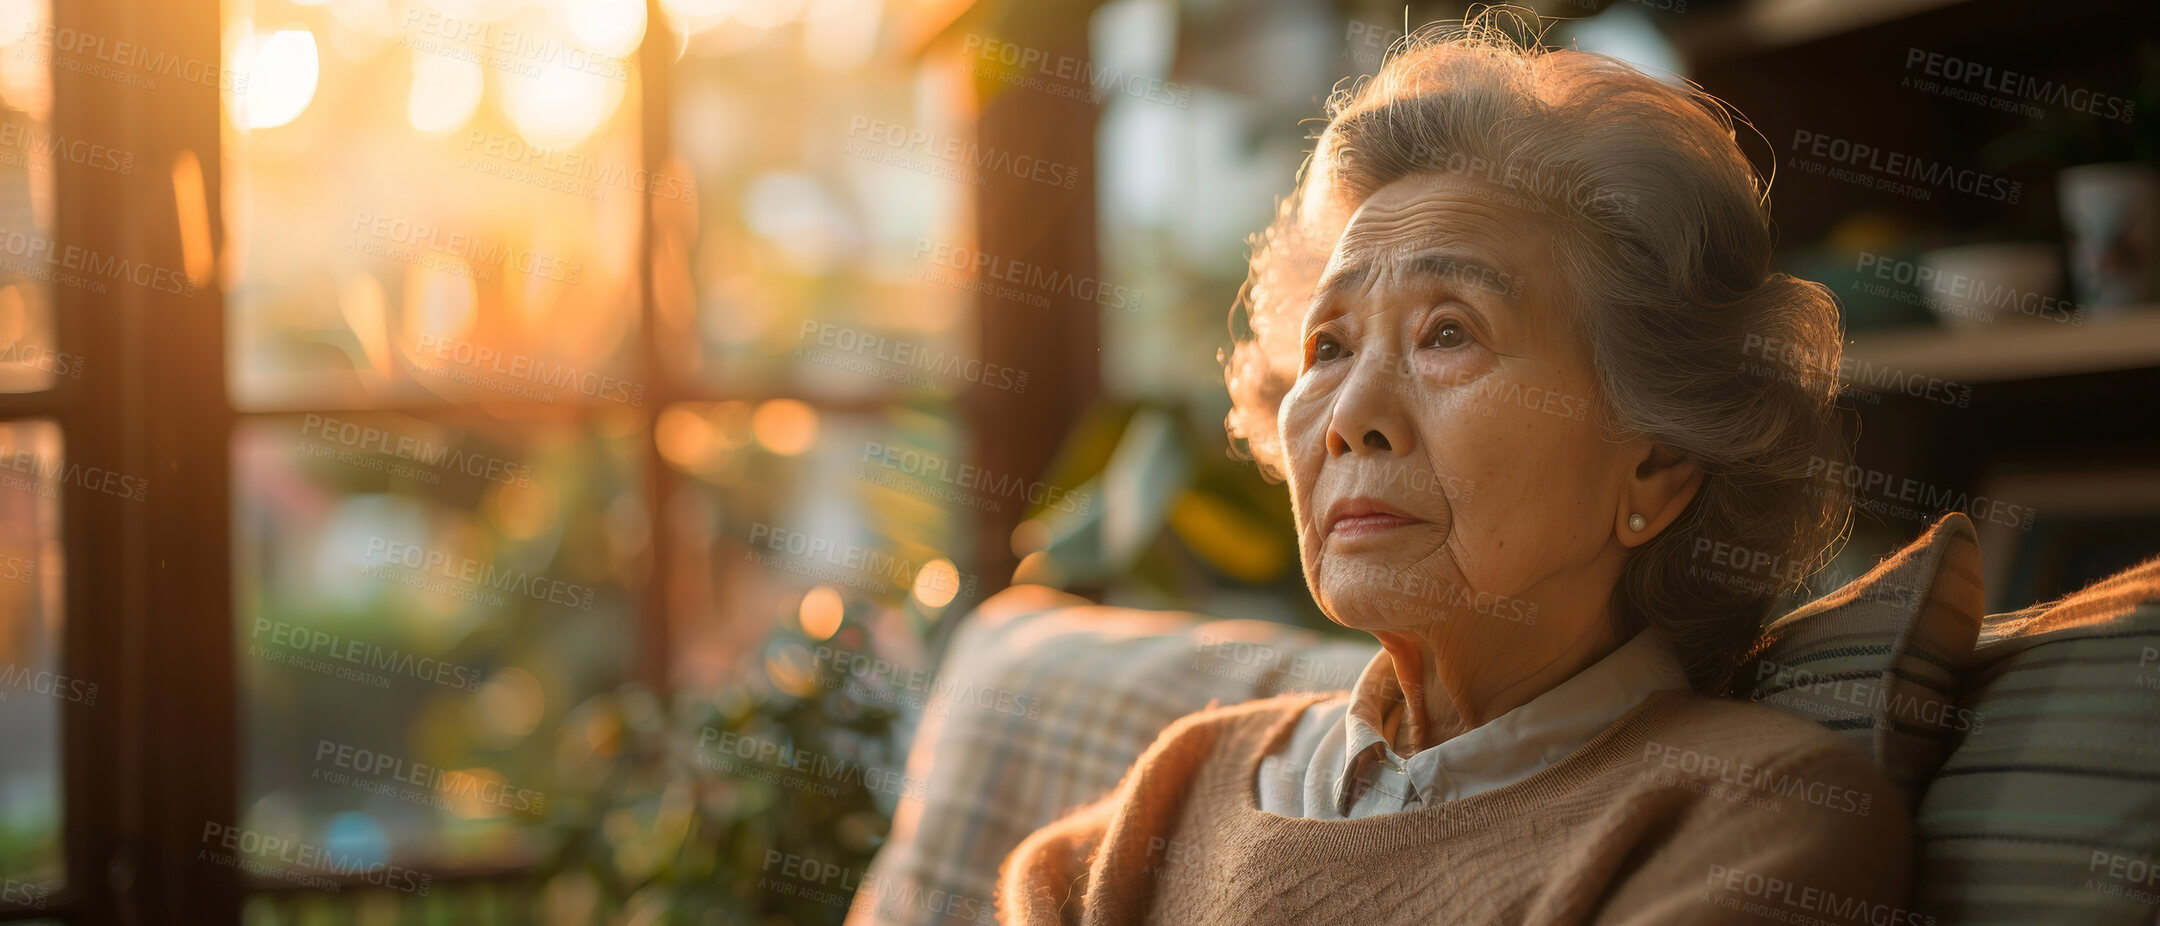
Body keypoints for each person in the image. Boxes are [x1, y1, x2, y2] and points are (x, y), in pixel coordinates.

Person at [997, 10, 1910, 925]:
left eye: (1448, 333)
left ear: (1658, 464)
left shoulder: (1744, 813)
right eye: (1328, 346)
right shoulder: (1182, 788)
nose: (1352, 419)